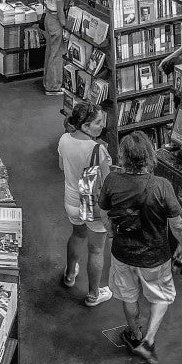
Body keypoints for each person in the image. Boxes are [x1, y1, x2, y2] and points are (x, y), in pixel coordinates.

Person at [100, 131, 182, 363]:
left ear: (123, 156)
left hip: (122, 252)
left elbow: (103, 211)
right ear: (150, 156)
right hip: (154, 256)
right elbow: (177, 223)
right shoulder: (161, 186)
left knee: (128, 296)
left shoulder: (111, 180)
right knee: (161, 296)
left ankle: (135, 334)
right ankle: (148, 341)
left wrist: (111, 233)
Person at [59, 100, 113, 307]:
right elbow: (107, 184)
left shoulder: (64, 139)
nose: (102, 126)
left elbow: (61, 166)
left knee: (77, 234)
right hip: (92, 203)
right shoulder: (97, 149)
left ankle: (70, 273)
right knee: (96, 250)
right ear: (85, 126)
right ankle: (93, 294)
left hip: (71, 200)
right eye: (98, 122)